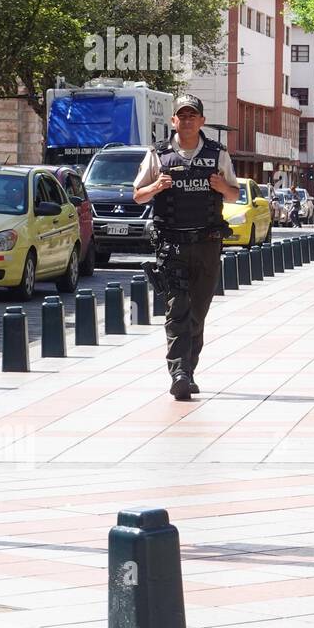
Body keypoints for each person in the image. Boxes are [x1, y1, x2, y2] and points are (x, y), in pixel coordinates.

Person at [134, 95, 241, 400]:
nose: (188, 120)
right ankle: (179, 372)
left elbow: (234, 194)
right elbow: (137, 195)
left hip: (207, 245)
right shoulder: (158, 155)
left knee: (198, 312)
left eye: (193, 115)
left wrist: (223, 188)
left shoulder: (217, 154)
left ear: (202, 121)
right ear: (174, 121)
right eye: (182, 115)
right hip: (172, 246)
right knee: (177, 310)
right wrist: (155, 187)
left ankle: (189, 369)